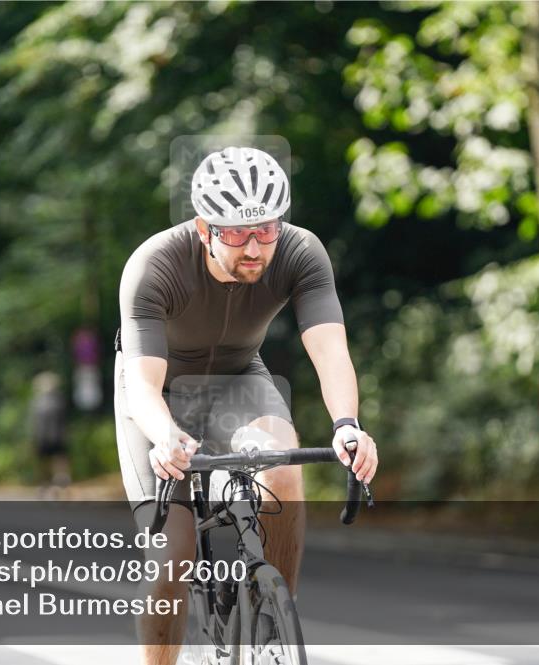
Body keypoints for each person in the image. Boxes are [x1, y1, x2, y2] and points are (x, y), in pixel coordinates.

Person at [114, 145, 379, 664]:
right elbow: (143, 384)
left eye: (266, 229)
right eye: (236, 233)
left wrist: (347, 425)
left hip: (238, 378)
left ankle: (272, 622)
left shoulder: (300, 251)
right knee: (173, 554)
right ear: (204, 228)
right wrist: (165, 436)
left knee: (282, 468)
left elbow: (330, 350)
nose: (255, 247)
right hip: (158, 393)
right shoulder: (154, 264)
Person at [29, 371, 70, 491]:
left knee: (50, 461)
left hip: (47, 437)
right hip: (53, 436)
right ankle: (53, 483)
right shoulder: (57, 400)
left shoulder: (39, 402)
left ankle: (52, 483)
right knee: (54, 460)